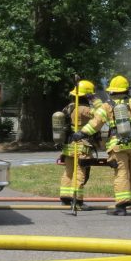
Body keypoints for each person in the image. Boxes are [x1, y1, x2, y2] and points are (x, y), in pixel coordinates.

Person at [75, 75, 131, 216]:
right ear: (127, 90)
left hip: (118, 144)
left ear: (111, 91)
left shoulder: (106, 106)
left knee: (121, 174)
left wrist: (81, 133)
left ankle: (122, 207)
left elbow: (96, 123)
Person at [54, 79, 101, 211]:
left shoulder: (68, 107)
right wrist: (95, 100)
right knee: (80, 172)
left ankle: (65, 198)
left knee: (68, 172)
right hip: (81, 145)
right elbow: (103, 113)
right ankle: (77, 201)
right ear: (87, 96)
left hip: (68, 145)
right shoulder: (85, 109)